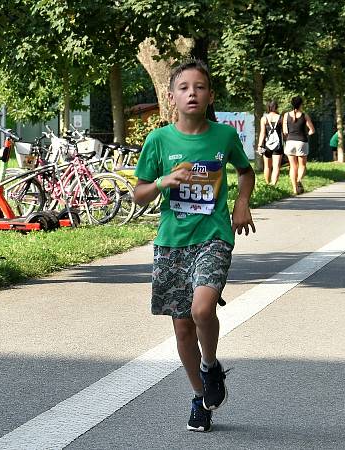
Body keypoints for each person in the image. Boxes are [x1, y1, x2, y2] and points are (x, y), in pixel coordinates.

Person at [133, 60, 255, 433]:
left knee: (202, 309)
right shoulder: (158, 141)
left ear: (209, 96)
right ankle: (200, 395)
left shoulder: (223, 137)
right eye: (184, 87)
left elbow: (245, 171)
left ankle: (210, 364)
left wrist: (241, 203)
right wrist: (163, 181)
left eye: (199, 87)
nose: (192, 93)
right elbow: (138, 195)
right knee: (183, 328)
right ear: (171, 97)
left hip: (213, 237)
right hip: (172, 243)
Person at [282, 96, 315, 194]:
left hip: (290, 142)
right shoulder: (304, 115)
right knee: (302, 165)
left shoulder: (286, 115)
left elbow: (284, 131)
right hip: (302, 142)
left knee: (293, 166)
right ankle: (299, 180)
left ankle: (294, 189)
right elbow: (312, 130)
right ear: (301, 104)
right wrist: (306, 135)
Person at [256, 100, 283, 185]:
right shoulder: (280, 118)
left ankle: (267, 184)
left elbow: (262, 133)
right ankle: (273, 185)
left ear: (268, 107)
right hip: (278, 145)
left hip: (267, 145)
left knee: (267, 166)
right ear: (276, 107)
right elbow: (284, 132)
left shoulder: (264, 118)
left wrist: (260, 145)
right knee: (276, 167)